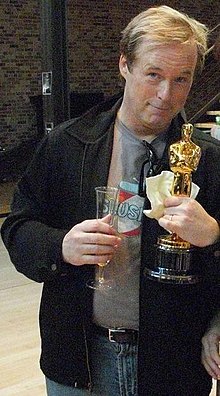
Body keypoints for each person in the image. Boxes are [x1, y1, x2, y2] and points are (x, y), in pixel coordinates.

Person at [1, 5, 220, 396]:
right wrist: (60, 246)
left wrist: (215, 236)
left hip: (175, 361)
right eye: (153, 74)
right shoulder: (67, 145)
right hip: (79, 358)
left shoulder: (208, 159)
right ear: (125, 65)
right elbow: (18, 227)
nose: (165, 95)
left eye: (181, 79)